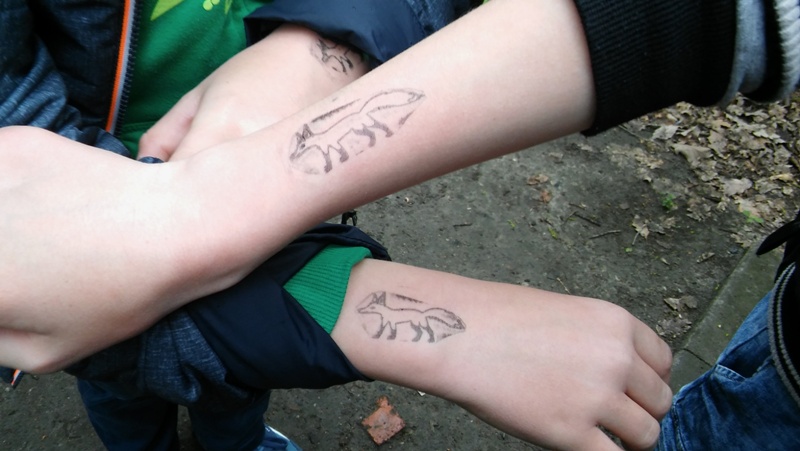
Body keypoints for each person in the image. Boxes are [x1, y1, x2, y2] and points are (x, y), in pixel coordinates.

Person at [0, 0, 797, 449]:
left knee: (233, 400)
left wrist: (319, 43)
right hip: (122, 282)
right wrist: (388, 312)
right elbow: (35, 243)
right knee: (127, 394)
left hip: (276, 206)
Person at [0, 1, 478, 450]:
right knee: (121, 390)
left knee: (237, 388)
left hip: (272, 175)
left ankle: (238, 441)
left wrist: (314, 50)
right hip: (93, 215)